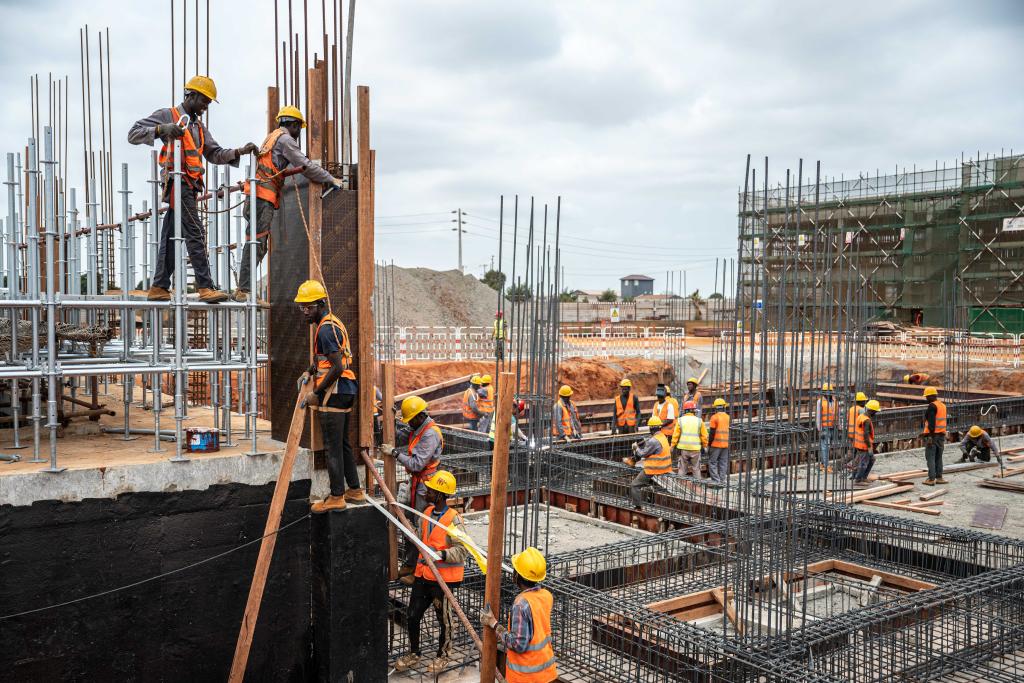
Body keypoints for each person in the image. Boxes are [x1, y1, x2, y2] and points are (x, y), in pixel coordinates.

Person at [128, 75, 256, 302]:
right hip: (178, 183)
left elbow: (214, 153)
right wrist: (161, 129)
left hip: (190, 185)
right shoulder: (169, 115)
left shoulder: (197, 126)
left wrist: (239, 151)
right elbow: (133, 134)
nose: (206, 107)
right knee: (195, 232)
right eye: (204, 101)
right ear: (191, 95)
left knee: (170, 235)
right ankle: (205, 286)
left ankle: (159, 286)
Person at [234, 106, 344, 301]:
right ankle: (244, 290)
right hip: (262, 197)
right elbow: (306, 165)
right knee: (257, 243)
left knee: (257, 242)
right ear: (293, 125)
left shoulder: (272, 137)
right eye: (299, 128)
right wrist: (330, 179)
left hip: (256, 197)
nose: (299, 134)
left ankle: (244, 288)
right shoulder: (286, 140)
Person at [294, 280, 364, 512]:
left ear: (320, 304)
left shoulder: (324, 330)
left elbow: (335, 367)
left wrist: (316, 392)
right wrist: (310, 371)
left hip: (334, 393)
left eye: (308, 307)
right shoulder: (332, 324)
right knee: (342, 444)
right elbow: (326, 361)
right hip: (345, 390)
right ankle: (354, 489)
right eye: (302, 307)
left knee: (332, 447)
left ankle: (337, 497)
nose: (304, 311)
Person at [394, 470, 468, 675]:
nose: (425, 491)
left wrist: (441, 554)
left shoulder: (454, 520)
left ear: (440, 495)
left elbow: (463, 550)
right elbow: (420, 538)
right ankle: (414, 653)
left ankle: (443, 655)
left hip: (444, 580)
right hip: (423, 575)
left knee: (444, 619)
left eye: (430, 489)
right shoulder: (426, 514)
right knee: (412, 615)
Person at [380, 395, 444, 576]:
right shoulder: (419, 427)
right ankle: (410, 564)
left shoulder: (430, 434)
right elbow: (402, 435)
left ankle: (418, 568)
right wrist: (390, 421)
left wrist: (394, 453)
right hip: (416, 482)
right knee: (407, 522)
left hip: (425, 487)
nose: (409, 424)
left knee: (418, 526)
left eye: (410, 420)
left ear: (419, 417)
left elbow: (416, 464)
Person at [479, 547, 558, 683]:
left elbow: (518, 644)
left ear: (517, 576)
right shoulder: (546, 596)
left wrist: (493, 624)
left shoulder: (521, 605)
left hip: (526, 677)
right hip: (546, 672)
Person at [625, 416, 672, 509]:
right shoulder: (662, 436)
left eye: (650, 428)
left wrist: (636, 447)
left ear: (652, 428)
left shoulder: (653, 441)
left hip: (655, 468)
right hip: (665, 466)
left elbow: (642, 453)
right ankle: (648, 487)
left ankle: (637, 507)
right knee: (644, 478)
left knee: (634, 485)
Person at [673, 400, 708, 480]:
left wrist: (672, 446)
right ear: (693, 411)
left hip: (684, 449)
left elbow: (675, 435)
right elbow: (704, 435)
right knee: (696, 470)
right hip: (695, 450)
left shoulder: (680, 420)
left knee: (682, 470)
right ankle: (698, 488)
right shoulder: (699, 421)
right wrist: (705, 446)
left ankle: (679, 487)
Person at [922, 386, 947, 485]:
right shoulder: (942, 405)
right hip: (941, 435)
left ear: (932, 396)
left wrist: (930, 437)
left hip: (933, 436)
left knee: (930, 457)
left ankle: (931, 479)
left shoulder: (932, 406)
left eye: (927, 396)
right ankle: (939, 477)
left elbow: (932, 424)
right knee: (938, 457)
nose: (926, 399)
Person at [852, 400, 881, 484]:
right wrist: (869, 448)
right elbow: (865, 436)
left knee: (870, 460)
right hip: (863, 445)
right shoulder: (866, 420)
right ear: (872, 410)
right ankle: (859, 479)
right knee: (864, 462)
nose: (876, 413)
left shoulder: (861, 416)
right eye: (875, 411)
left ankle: (862, 477)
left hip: (858, 444)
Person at [706, 398, 730, 486]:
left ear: (716, 408)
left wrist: (709, 444)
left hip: (715, 444)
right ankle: (722, 481)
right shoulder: (728, 417)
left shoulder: (714, 417)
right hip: (725, 444)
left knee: (712, 462)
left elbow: (712, 432)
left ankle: (716, 481)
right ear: (724, 407)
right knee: (723, 462)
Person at [816, 383, 836, 471]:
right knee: (825, 446)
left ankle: (823, 463)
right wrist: (819, 429)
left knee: (828, 446)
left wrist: (838, 426)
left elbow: (837, 414)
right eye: (826, 392)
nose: (828, 393)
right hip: (824, 427)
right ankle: (826, 465)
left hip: (832, 427)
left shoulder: (835, 401)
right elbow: (818, 416)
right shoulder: (820, 402)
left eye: (829, 391)